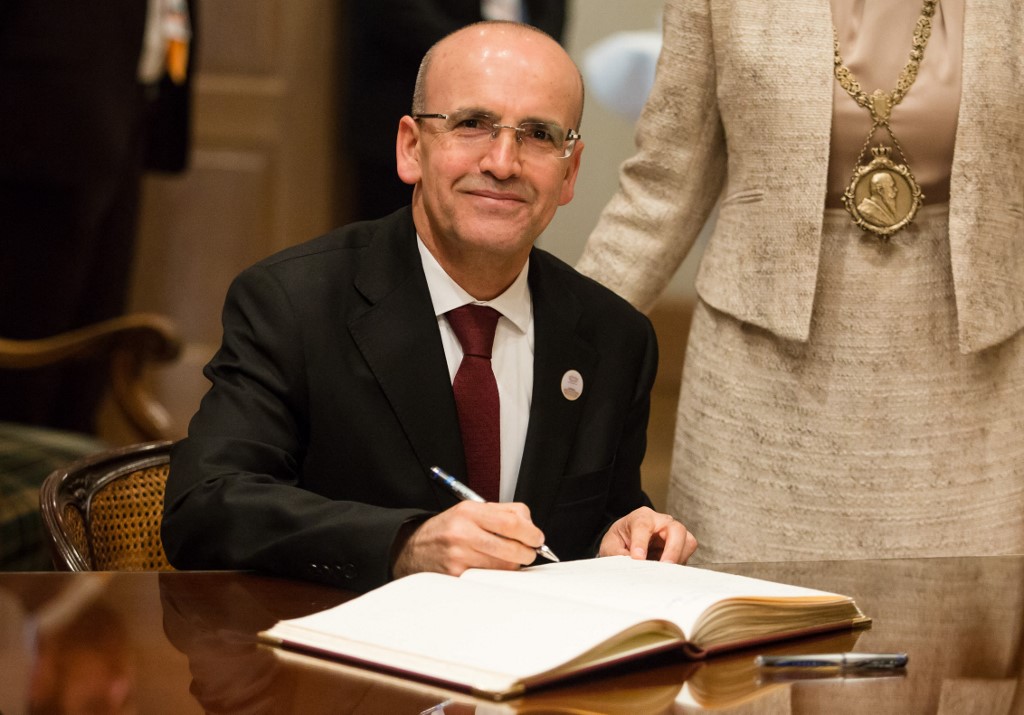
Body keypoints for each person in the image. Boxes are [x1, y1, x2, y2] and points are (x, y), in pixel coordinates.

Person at [162, 21, 698, 593]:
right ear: (411, 148)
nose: (503, 161)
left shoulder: (615, 337)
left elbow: (586, 531)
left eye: (539, 135)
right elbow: (206, 506)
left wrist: (620, 542)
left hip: (532, 670)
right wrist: (404, 545)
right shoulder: (294, 302)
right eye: (472, 124)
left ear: (570, 172)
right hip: (342, 666)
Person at [576, 0, 1024, 562]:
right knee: (749, 633)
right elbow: (664, 188)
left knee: (957, 642)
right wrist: (553, 355)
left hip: (976, 391)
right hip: (765, 395)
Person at [0, 0, 195, 434]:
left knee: (94, 335)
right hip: (41, 112)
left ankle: (67, 487)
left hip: (129, 96)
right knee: (31, 345)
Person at [344, 0, 567, 222]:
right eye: (472, 124)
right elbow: (397, 12)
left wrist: (528, 62)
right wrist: (489, 62)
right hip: (400, 100)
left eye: (540, 134)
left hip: (523, 88)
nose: (501, 166)